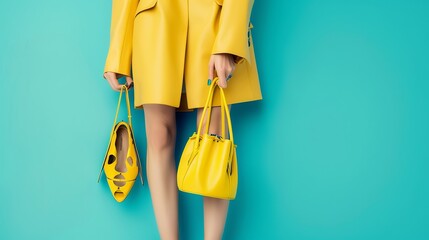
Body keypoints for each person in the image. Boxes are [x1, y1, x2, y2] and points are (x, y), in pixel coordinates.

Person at [102, 0, 262, 239]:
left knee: (213, 136)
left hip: (212, 17)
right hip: (154, 18)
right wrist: (118, 52)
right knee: (159, 137)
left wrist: (229, 40)